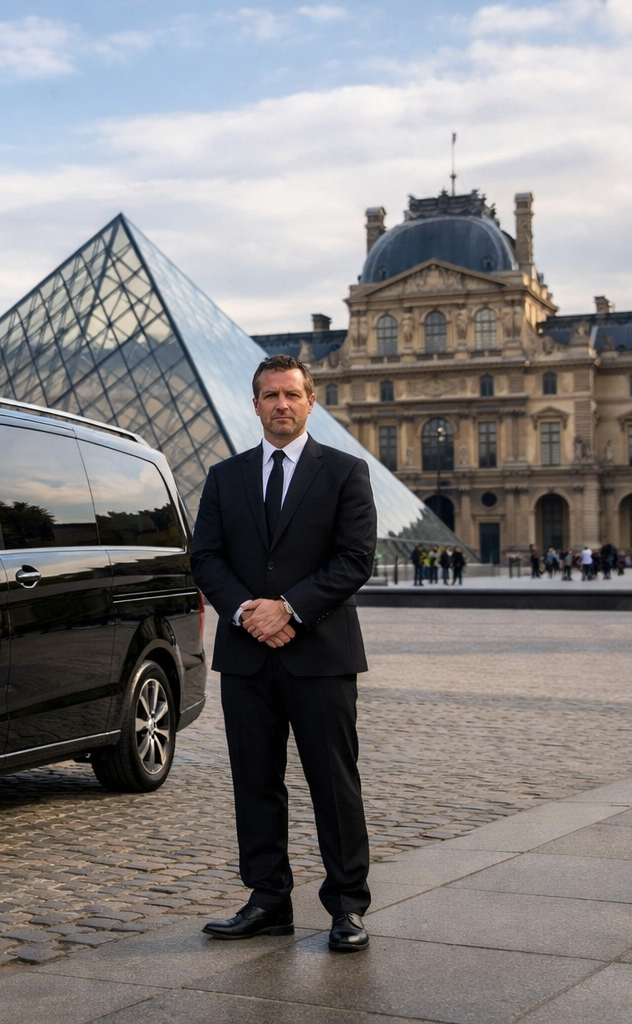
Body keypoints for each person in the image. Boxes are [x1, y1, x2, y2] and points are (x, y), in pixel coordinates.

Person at [191, 354, 376, 954]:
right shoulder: (225, 476)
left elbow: (355, 560)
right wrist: (249, 610)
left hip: (318, 652)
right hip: (248, 653)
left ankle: (347, 907)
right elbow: (206, 559)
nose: (281, 405)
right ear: (255, 405)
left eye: (292, 395)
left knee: (333, 783)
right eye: (270, 395)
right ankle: (268, 900)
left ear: (310, 401)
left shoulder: (346, 472)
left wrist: (288, 608)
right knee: (255, 782)